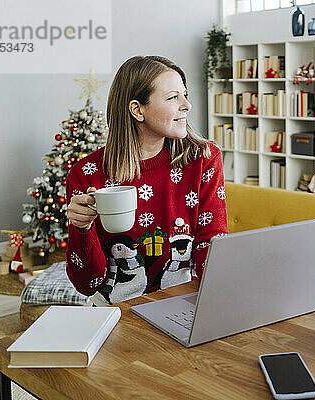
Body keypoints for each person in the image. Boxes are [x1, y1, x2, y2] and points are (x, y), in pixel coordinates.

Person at [65, 56, 228, 305]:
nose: (187, 105)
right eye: (174, 97)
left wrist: (220, 302)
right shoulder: (86, 173)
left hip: (183, 303)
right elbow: (89, 284)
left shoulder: (203, 159)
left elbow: (212, 246)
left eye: (185, 95)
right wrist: (82, 230)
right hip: (116, 310)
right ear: (137, 110)